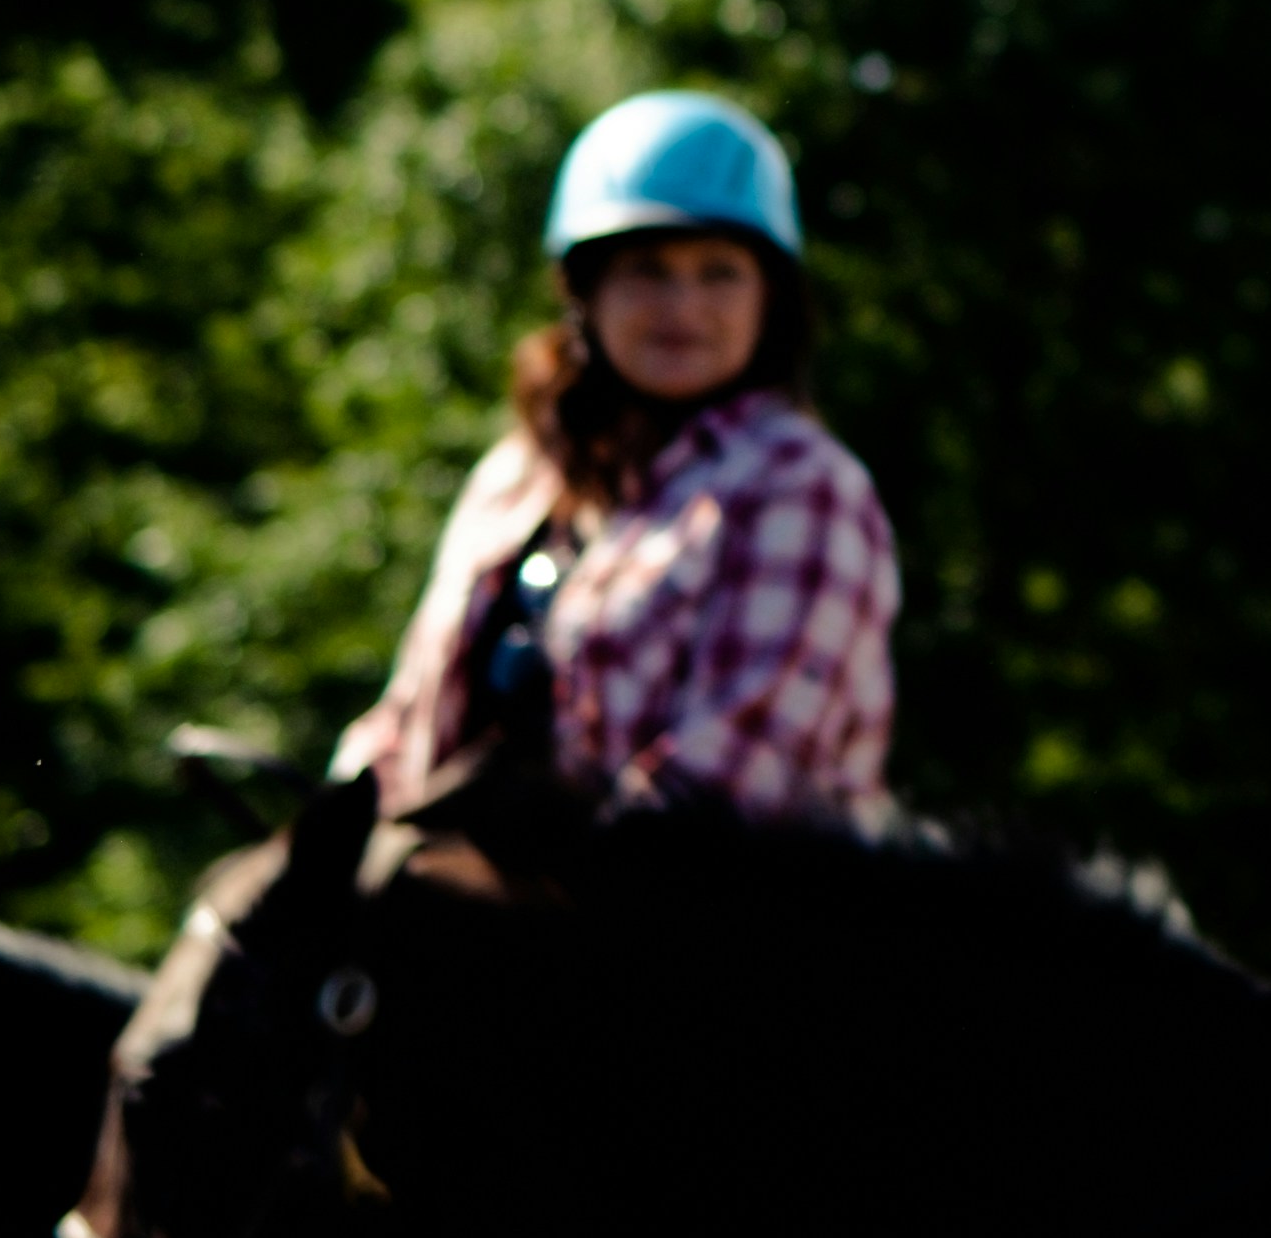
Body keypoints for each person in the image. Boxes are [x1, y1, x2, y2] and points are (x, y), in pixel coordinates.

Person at [342, 90, 898, 826]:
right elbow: (406, 722)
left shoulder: (801, 487)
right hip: (441, 904)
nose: (683, 306)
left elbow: (730, 791)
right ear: (587, 289)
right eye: (648, 268)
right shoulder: (515, 482)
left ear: (771, 298)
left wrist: (469, 880)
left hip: (689, 922)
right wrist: (340, 826)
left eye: (718, 271)